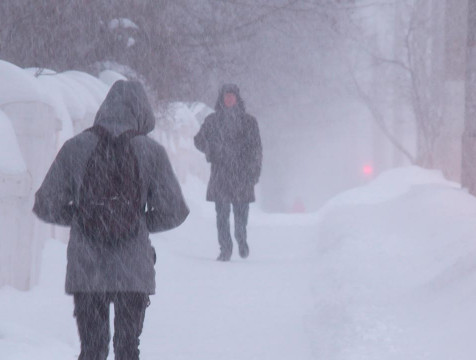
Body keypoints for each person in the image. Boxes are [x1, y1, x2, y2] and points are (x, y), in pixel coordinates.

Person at [33, 80, 189, 360]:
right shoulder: (151, 152)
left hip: (87, 267)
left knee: (93, 350)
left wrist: (82, 216)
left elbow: (45, 204)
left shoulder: (75, 147)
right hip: (133, 269)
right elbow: (175, 211)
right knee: (127, 350)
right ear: (141, 113)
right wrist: (138, 221)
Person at [194, 83, 262, 261]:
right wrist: (211, 149)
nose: (229, 98)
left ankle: (241, 239)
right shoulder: (212, 121)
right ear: (221, 98)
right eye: (226, 95)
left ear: (237, 98)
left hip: (242, 175)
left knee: (241, 215)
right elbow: (198, 140)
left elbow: (256, 150)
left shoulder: (249, 122)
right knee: (221, 215)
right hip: (221, 175)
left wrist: (254, 172)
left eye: (232, 95)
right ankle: (225, 248)